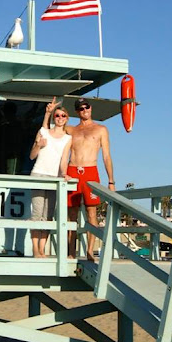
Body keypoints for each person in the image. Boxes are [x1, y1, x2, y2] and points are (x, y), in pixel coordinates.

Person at [65, 97, 115, 262]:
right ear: (77, 112)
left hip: (90, 171)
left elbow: (106, 156)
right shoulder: (71, 130)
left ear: (91, 108)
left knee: (91, 213)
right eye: (81, 109)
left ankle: (90, 251)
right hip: (72, 170)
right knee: (71, 213)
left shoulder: (101, 129)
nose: (84, 110)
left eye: (86, 107)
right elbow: (51, 131)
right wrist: (49, 113)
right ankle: (71, 250)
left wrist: (111, 181)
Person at [29, 98, 72, 258]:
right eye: (58, 115)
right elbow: (32, 156)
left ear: (67, 119)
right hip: (39, 174)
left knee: (48, 215)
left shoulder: (68, 138)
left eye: (63, 116)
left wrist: (63, 174)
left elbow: (63, 160)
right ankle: (35, 249)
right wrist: (39, 145)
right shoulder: (44, 133)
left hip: (54, 178)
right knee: (37, 213)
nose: (60, 118)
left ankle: (42, 248)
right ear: (54, 117)